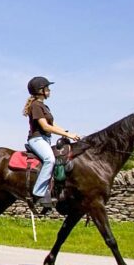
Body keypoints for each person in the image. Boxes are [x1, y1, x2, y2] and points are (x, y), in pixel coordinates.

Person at [23, 76, 81, 210]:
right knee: (49, 159)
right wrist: (67, 134)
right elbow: (45, 127)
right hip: (37, 139)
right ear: (40, 90)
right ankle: (38, 193)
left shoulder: (44, 106)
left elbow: (53, 124)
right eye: (47, 88)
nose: (49, 90)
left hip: (46, 139)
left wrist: (69, 133)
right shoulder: (36, 106)